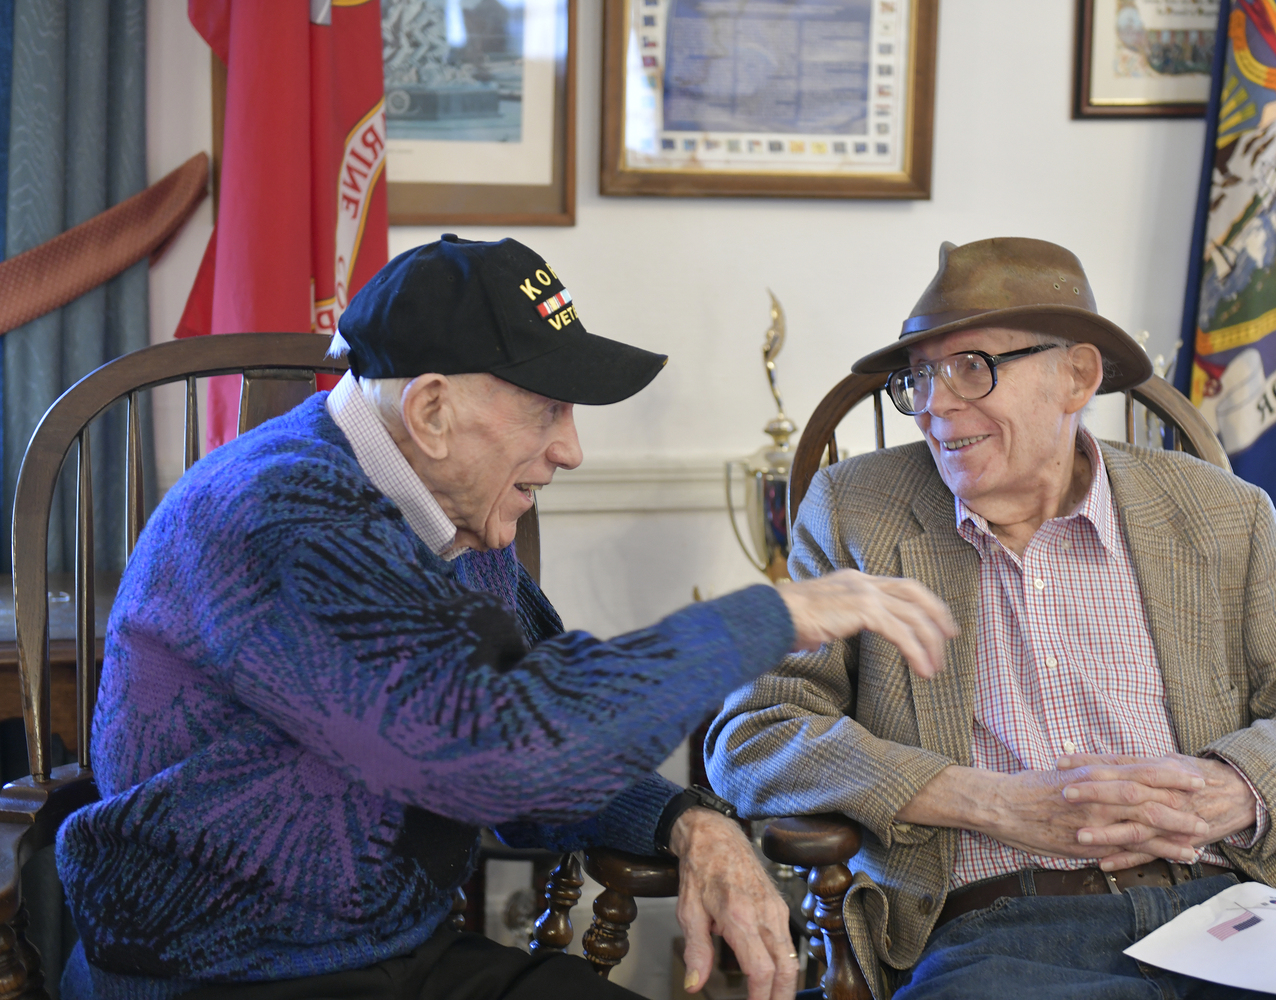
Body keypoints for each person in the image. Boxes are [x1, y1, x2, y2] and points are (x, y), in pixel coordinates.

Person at [54, 235, 956, 1000]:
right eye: (548, 409)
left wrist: (689, 822)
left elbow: (549, 729)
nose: (570, 449)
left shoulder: (443, 507)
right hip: (220, 973)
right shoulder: (283, 517)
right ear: (434, 408)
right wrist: (768, 618)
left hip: (383, 955)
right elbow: (491, 748)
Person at [706, 238, 1276, 1000]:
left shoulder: (1221, 514)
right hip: (1004, 932)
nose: (936, 406)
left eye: (971, 367)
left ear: (1076, 375)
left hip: (1237, 910)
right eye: (918, 377)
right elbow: (754, 735)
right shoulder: (858, 513)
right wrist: (984, 801)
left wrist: (1233, 788)